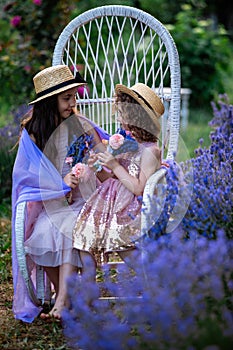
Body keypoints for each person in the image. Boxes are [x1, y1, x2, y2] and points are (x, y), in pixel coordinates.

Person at [12, 65, 108, 322]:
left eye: (74, 96)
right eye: (66, 98)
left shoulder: (81, 126)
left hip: (84, 200)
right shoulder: (33, 134)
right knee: (43, 232)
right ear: (48, 102)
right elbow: (25, 176)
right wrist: (59, 181)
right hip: (52, 203)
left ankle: (62, 301)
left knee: (68, 227)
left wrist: (95, 162)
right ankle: (67, 296)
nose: (73, 103)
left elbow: (105, 165)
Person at [72, 83, 164, 272]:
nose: (118, 118)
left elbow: (139, 188)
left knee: (121, 243)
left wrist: (114, 164)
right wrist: (98, 168)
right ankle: (89, 295)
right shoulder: (129, 145)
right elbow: (111, 179)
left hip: (132, 209)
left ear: (136, 117)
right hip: (109, 204)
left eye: (122, 113)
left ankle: (155, 280)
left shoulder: (150, 150)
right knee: (84, 238)